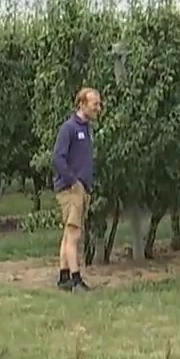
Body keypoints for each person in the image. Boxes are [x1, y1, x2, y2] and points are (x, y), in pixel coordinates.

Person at [53, 87, 101, 291]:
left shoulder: (87, 128)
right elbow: (58, 158)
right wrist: (73, 181)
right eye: (95, 104)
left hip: (82, 188)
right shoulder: (69, 128)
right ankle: (75, 279)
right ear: (82, 104)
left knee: (68, 234)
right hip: (72, 189)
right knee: (74, 235)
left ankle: (63, 277)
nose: (98, 108)